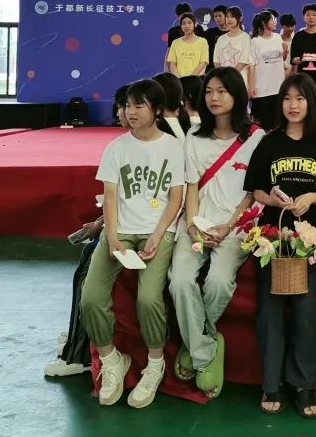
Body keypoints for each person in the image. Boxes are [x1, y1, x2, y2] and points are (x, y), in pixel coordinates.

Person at [80, 78, 186, 408]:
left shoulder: (173, 147)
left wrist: (157, 235)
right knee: (91, 297)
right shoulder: (116, 149)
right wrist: (112, 237)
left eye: (139, 105)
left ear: (157, 110)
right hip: (121, 230)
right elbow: (110, 197)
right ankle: (112, 360)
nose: (131, 111)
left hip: (159, 230)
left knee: (149, 299)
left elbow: (176, 198)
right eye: (127, 105)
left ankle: (155, 364)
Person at [245, 74, 316, 419]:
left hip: (313, 238)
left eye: (300, 98)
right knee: (269, 307)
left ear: (311, 103)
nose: (293, 105)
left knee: (304, 306)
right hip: (272, 236)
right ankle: (271, 382)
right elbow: (256, 190)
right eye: (287, 98)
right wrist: (273, 199)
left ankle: (302, 384)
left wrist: (312, 197)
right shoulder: (268, 143)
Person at [169, 68, 266, 400]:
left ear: (237, 95)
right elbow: (192, 187)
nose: (214, 97)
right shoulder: (194, 137)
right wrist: (193, 225)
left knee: (219, 282)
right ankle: (206, 348)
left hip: (236, 227)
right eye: (209, 91)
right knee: (180, 280)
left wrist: (230, 225)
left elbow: (253, 192)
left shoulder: (256, 138)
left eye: (222, 91)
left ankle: (194, 343)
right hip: (197, 223)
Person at [45, 84, 131, 378]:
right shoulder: (125, 145)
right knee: (86, 260)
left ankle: (80, 353)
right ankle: (75, 338)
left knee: (87, 272)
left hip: (138, 232)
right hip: (119, 224)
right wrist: (100, 222)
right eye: (123, 106)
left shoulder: (162, 145)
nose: (122, 112)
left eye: (129, 106)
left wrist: (102, 225)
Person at [250, 10, 287, 129]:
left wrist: (285, 52)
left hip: (278, 86)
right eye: (272, 19)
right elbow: (251, 65)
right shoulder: (255, 41)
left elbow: (281, 58)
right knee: (263, 124)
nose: (275, 22)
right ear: (264, 23)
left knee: (278, 123)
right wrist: (251, 85)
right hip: (262, 88)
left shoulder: (277, 37)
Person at [213, 6, 253, 86]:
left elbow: (244, 60)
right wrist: (222, 76)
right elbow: (216, 60)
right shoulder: (221, 39)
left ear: (240, 18)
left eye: (232, 17)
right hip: (223, 81)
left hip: (239, 79)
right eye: (227, 17)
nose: (229, 19)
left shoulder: (245, 37)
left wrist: (231, 76)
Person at [166, 11, 210, 77]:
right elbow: (172, 63)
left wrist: (190, 78)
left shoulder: (203, 42)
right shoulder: (175, 42)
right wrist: (179, 78)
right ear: (180, 26)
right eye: (183, 23)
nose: (187, 26)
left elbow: (203, 62)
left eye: (189, 23)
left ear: (195, 24)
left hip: (197, 79)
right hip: (180, 80)